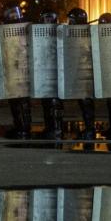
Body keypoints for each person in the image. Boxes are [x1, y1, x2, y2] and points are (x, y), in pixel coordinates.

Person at [1, 2, 32, 139]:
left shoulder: (25, 26)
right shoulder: (10, 27)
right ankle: (20, 127)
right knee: (15, 100)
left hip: (22, 65)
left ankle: (23, 129)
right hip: (14, 65)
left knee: (21, 100)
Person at [66, 7, 96, 140]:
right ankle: (89, 129)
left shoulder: (86, 33)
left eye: (71, 20)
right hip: (80, 71)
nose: (69, 23)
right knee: (84, 102)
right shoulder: (78, 33)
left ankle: (90, 130)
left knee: (86, 102)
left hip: (85, 72)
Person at [37, 9, 63, 139]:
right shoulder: (40, 33)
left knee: (53, 102)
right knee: (48, 101)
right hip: (48, 71)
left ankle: (55, 129)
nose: (47, 21)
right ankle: (52, 128)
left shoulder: (60, 31)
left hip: (54, 71)